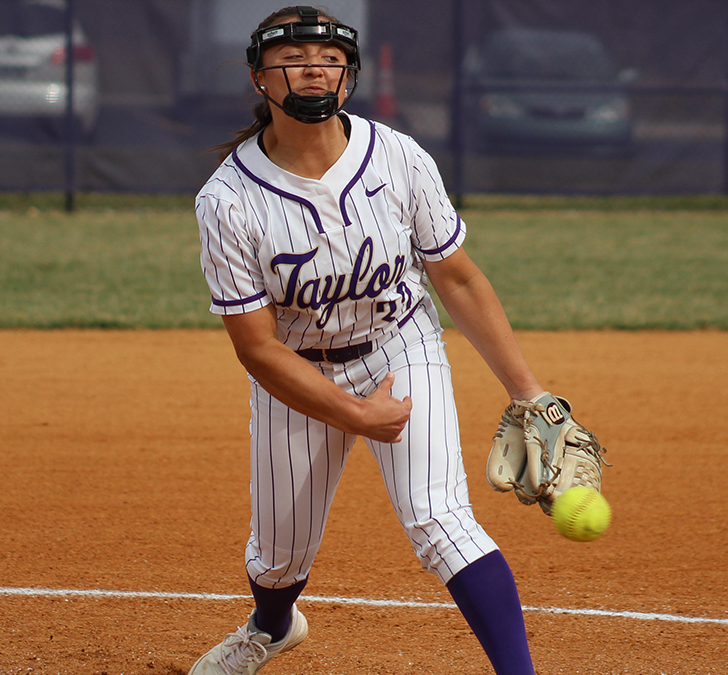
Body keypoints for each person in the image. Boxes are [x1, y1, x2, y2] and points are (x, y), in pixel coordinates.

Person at [192, 6, 548, 674]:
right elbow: (258, 347)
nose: (313, 71)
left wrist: (528, 391)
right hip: (296, 370)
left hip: (397, 342)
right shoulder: (228, 199)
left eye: (328, 59)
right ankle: (272, 628)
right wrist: (356, 414)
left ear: (348, 75)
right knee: (279, 557)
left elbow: (458, 278)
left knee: (441, 519)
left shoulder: (398, 157)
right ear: (259, 77)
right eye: (293, 59)